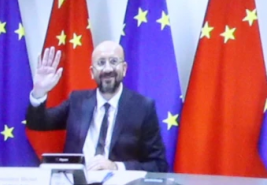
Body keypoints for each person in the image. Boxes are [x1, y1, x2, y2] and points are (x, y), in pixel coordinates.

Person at [26, 40, 168, 173]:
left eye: (113, 61)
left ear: (124, 69)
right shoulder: (77, 101)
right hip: (76, 184)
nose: (107, 69)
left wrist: (116, 167)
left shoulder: (143, 107)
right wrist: (39, 92)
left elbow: (158, 165)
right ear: (92, 72)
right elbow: (37, 123)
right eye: (101, 63)